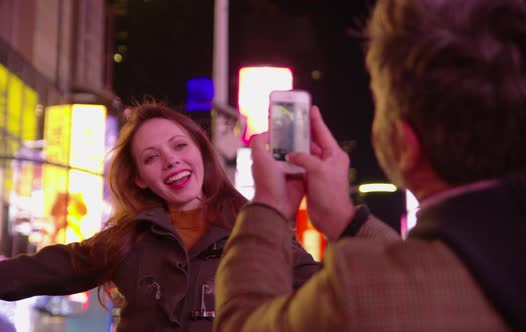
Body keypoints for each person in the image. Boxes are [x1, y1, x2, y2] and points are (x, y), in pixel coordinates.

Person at [214, 0, 526, 331]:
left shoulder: (357, 291)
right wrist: (346, 221)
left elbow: (241, 323)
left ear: (405, 143)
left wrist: (269, 206)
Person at [0, 102, 319, 331]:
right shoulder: (126, 241)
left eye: (180, 146)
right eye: (152, 157)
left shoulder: (256, 232)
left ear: (201, 153)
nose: (170, 160)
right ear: (140, 178)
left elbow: (330, 291)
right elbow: (16, 275)